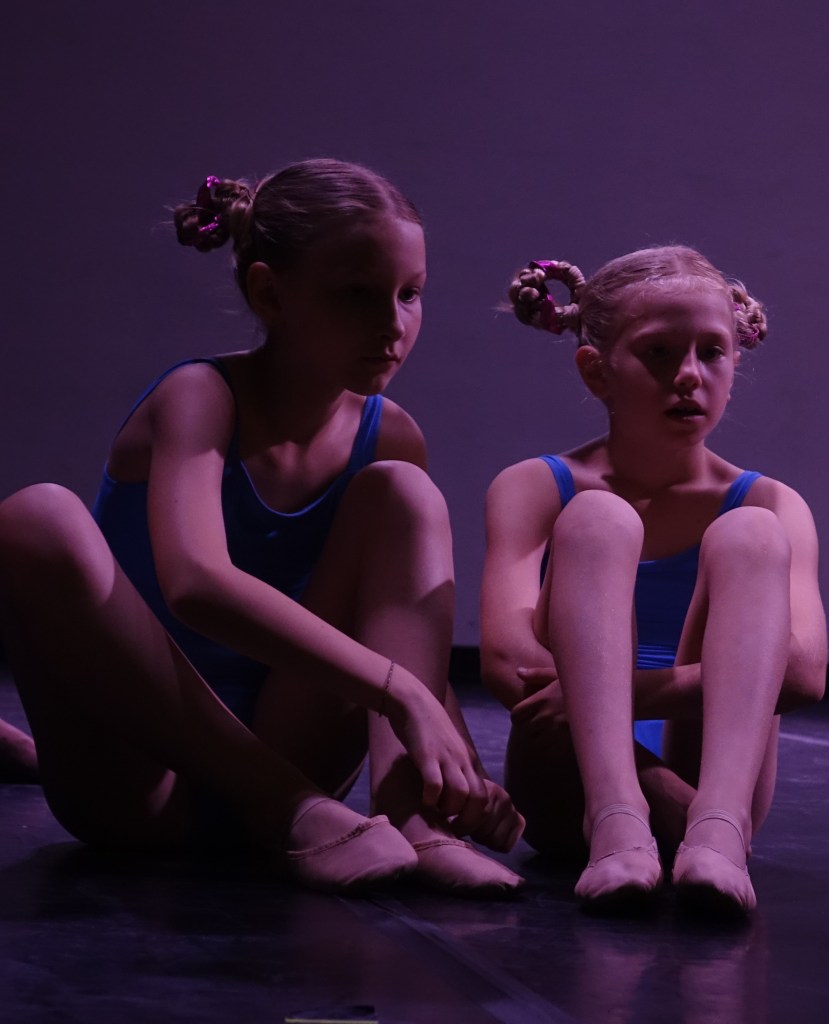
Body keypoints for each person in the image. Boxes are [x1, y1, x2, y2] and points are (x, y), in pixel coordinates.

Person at [0, 158, 524, 895]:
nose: (393, 325)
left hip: (296, 750)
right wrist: (398, 690)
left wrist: (455, 768)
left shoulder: (390, 435)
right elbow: (196, 584)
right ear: (269, 293)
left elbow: (405, 632)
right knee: (37, 516)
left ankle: (416, 821)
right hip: (144, 787)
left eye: (410, 295)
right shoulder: (200, 396)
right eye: (357, 295)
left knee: (406, 493)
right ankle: (285, 807)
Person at [480, 246, 826, 913]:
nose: (689, 375)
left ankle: (716, 825)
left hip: (714, 785)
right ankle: (616, 814)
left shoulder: (771, 503)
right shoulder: (535, 487)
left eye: (711, 352)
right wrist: (647, 781)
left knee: (752, 533)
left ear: (734, 363)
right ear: (597, 371)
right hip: (567, 779)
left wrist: (608, 695)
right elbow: (507, 665)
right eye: (659, 353)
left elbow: (804, 671)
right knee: (598, 519)